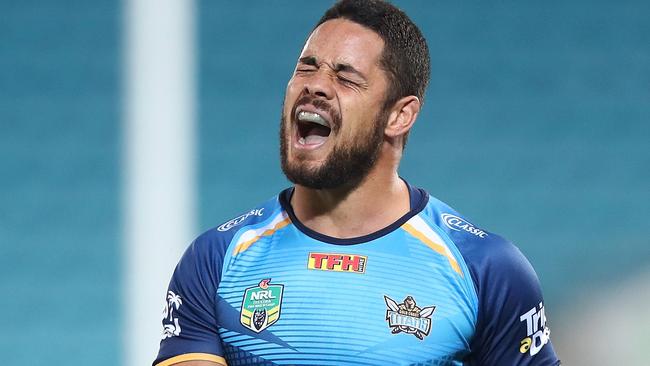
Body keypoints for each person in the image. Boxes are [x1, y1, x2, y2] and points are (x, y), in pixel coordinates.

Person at [153, 0, 561, 365]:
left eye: (345, 78)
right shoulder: (216, 259)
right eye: (306, 67)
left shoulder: (486, 268)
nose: (314, 85)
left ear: (399, 116)